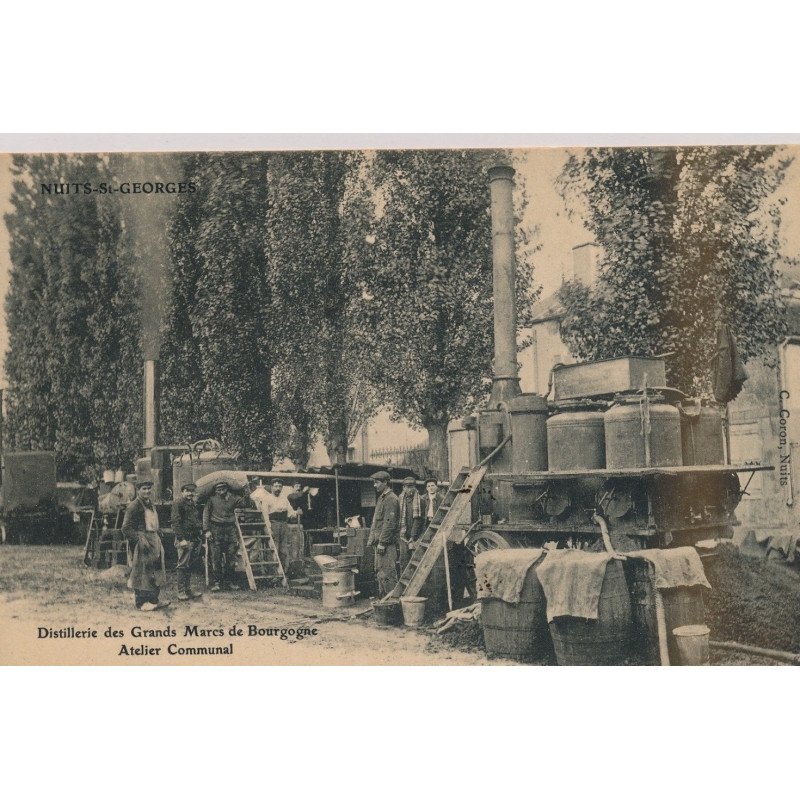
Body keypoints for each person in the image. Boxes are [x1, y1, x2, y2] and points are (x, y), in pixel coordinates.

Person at [122, 480, 170, 611]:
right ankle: (141, 603)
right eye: (144, 488)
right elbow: (125, 528)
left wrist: (157, 531)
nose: (147, 491)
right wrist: (138, 540)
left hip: (154, 540)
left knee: (155, 571)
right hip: (143, 543)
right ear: (138, 490)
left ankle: (154, 600)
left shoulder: (150, 504)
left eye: (149, 488)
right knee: (142, 572)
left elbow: (152, 522)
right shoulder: (134, 506)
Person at [202, 480, 252, 592]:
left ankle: (231, 582)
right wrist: (206, 530)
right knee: (216, 557)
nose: (221, 491)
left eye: (223, 489)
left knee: (231, 557)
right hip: (215, 530)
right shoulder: (211, 500)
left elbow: (245, 504)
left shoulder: (233, 498)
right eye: (218, 489)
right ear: (215, 491)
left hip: (230, 530)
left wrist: (247, 494)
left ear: (227, 489)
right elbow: (205, 515)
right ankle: (217, 582)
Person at [251, 478, 298, 572]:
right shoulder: (267, 498)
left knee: (284, 549)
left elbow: (290, 511)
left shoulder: (284, 498)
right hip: (273, 524)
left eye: (280, 486)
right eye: (276, 486)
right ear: (272, 487)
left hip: (284, 524)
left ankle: (284, 571)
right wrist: (269, 528)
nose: (278, 488)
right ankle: (274, 572)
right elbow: (265, 514)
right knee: (274, 548)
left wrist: (295, 513)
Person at [367, 471, 400, 597]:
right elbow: (376, 522)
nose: (375, 485)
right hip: (380, 543)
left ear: (385, 482)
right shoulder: (382, 498)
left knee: (388, 573)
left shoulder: (391, 499)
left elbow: (389, 523)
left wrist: (382, 543)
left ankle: (392, 603)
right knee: (380, 572)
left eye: (377, 482)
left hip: (386, 545)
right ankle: (383, 602)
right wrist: (372, 540)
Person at [171, 482, 203, 601]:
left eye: (192, 491)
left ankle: (188, 590)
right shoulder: (178, 503)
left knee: (190, 565)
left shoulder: (192, 504)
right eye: (187, 491)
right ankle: (181, 592)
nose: (190, 493)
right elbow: (175, 522)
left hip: (194, 538)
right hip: (185, 539)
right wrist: (181, 539)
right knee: (182, 565)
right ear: (182, 492)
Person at [398, 476, 423, 570]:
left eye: (412, 486)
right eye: (407, 487)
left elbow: (419, 520)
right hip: (403, 536)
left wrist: (413, 537)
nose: (410, 489)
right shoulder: (399, 500)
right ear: (403, 488)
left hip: (416, 536)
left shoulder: (420, 500)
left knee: (415, 561)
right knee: (403, 561)